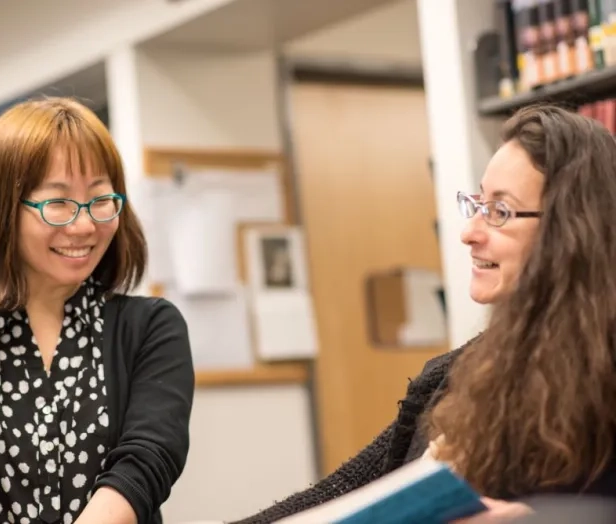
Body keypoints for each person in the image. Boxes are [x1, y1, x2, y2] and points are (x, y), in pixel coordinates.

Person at [230, 104, 616, 524]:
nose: (470, 232)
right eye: (478, 204)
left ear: (571, 231)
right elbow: (348, 489)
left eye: (500, 212)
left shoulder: (604, 372)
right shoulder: (455, 373)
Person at [0, 96, 195, 524]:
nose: (84, 225)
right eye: (58, 203)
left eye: (100, 199)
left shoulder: (151, 327)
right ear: (2, 210)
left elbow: (148, 458)